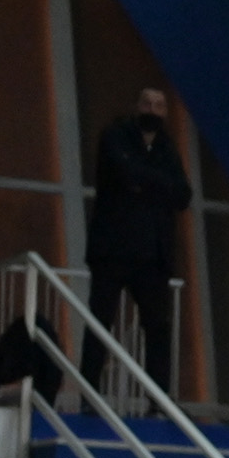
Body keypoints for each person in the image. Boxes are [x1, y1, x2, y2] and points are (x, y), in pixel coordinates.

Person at [82, 89, 191, 398]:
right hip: (112, 251)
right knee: (99, 324)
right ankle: (89, 396)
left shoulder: (167, 147)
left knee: (158, 330)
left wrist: (142, 183)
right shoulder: (115, 136)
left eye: (159, 105)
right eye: (147, 103)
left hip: (153, 256)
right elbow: (123, 171)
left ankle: (158, 401)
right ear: (136, 106)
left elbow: (184, 195)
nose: (152, 110)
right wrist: (159, 185)